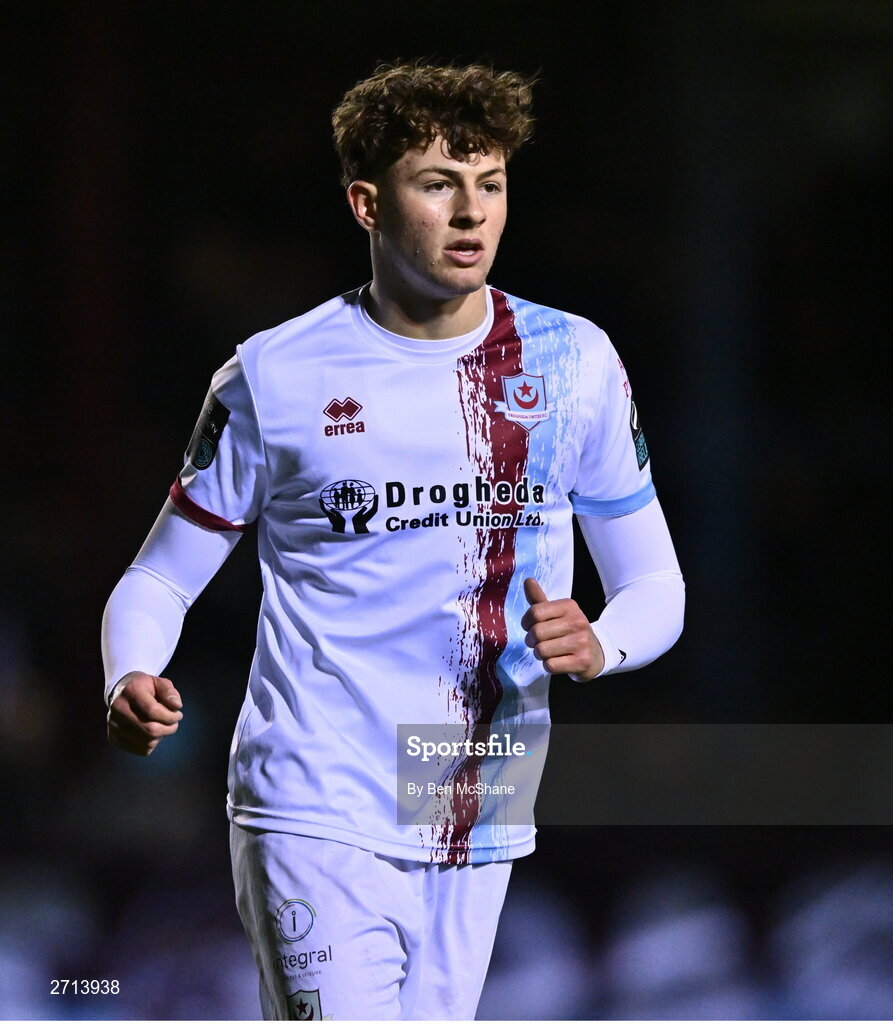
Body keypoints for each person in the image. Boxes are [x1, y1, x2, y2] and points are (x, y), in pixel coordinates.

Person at [102, 61, 685, 1021]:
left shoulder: (572, 360)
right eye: (438, 184)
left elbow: (653, 582)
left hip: (475, 790)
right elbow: (161, 578)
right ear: (366, 203)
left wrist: (603, 643)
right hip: (315, 786)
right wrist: (128, 672)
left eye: (489, 185)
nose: (471, 213)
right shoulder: (272, 377)